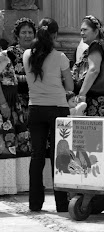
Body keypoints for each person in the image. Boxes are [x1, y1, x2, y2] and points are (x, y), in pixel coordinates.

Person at [22, 17, 73, 212]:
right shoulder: (60, 57)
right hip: (58, 108)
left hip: (35, 108)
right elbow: (69, 86)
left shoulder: (27, 54)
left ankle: (35, 204)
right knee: (59, 156)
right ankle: (61, 203)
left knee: (37, 156)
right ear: (55, 35)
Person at [0, 17, 36, 195]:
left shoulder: (38, 52)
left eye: (30, 32)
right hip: (15, 100)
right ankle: (12, 182)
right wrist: (31, 80)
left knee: (30, 140)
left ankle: (27, 181)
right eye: (24, 32)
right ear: (17, 35)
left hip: (34, 99)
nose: (27, 35)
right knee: (16, 138)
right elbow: (9, 78)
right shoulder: (10, 53)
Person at [72, 15, 104, 116]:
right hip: (103, 101)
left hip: (95, 102)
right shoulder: (100, 46)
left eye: (85, 30)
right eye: (81, 30)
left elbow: (93, 70)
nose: (81, 33)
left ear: (96, 32)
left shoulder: (95, 45)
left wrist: (82, 93)